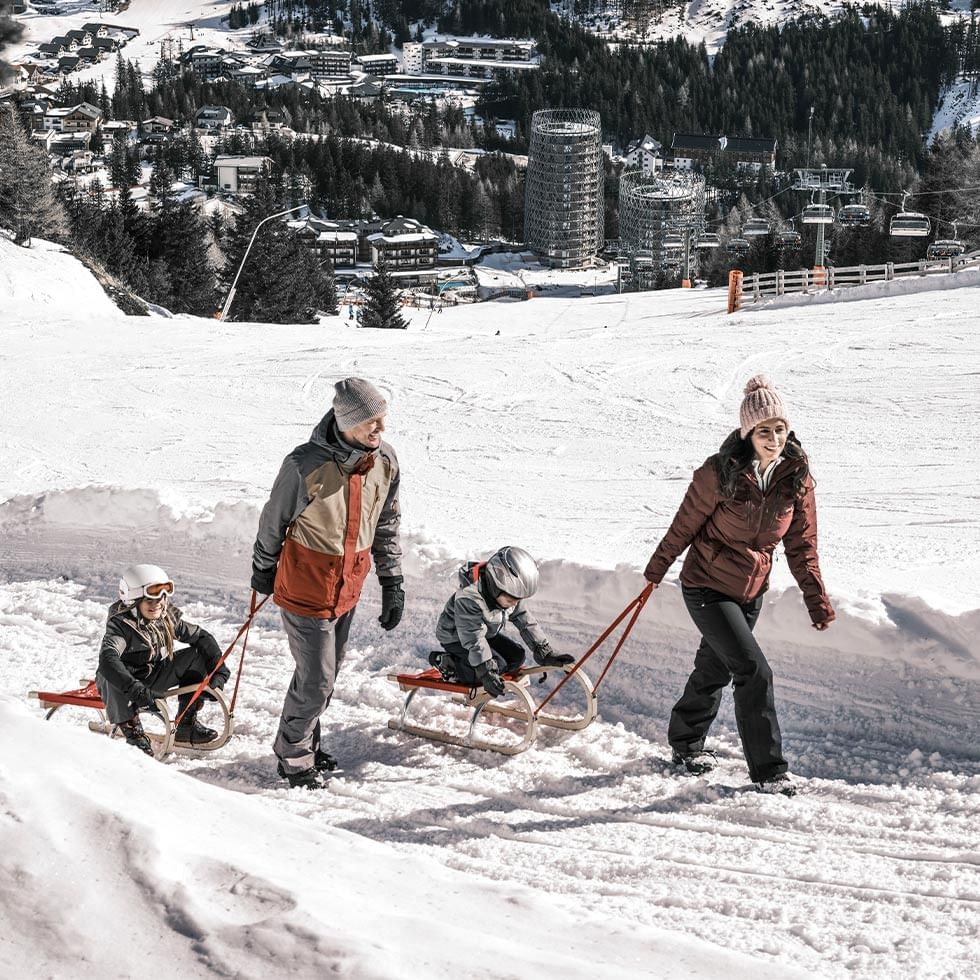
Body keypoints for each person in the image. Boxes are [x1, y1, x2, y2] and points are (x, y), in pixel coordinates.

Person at [643, 376, 835, 797]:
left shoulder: (795, 477)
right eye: (764, 430)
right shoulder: (720, 472)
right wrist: (656, 570)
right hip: (706, 586)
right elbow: (685, 525)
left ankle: (686, 743)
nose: (774, 438)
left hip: (751, 591)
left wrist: (816, 600)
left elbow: (803, 545)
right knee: (753, 670)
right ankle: (769, 772)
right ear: (748, 433)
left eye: (780, 428)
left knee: (715, 666)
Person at [251, 377, 403, 790]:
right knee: (317, 678)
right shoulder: (304, 464)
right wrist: (262, 568)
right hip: (305, 586)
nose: (381, 429)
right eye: (372, 421)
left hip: (347, 587)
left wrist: (392, 579)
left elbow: (386, 522)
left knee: (323, 676)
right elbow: (273, 521)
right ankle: (293, 757)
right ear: (347, 421)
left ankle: (306, 743)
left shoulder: (385, 460)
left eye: (383, 419)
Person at [96, 564, 230, 756]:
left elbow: (201, 637)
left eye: (161, 597)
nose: (157, 603)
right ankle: (133, 732)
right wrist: (135, 689)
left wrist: (218, 668)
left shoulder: (164, 616)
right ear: (133, 602)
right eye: (149, 599)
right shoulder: (122, 625)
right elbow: (108, 658)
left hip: (153, 677)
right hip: (127, 686)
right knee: (107, 673)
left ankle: (185, 723)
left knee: (196, 656)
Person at [431, 546, 573, 697]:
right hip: (456, 637)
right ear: (495, 587)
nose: (514, 604)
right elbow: (473, 638)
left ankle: (480, 668)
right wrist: (486, 672)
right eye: (511, 600)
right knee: (491, 668)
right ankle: (447, 663)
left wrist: (544, 651)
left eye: (518, 600)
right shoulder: (469, 598)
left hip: (484, 632)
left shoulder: (509, 595)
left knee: (517, 656)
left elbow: (525, 620)